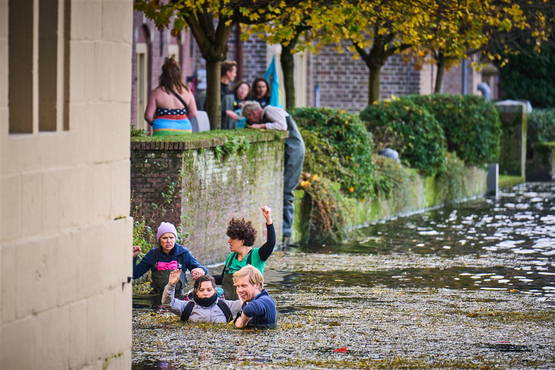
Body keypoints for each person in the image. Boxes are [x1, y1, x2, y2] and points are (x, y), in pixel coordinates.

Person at [242, 101, 305, 245]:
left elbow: (282, 127)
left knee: (287, 192)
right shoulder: (268, 113)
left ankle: (286, 233)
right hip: (290, 151)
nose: (250, 122)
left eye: (250, 119)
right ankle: (282, 232)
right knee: (283, 192)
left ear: (254, 113)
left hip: (294, 152)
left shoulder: (270, 110)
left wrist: (261, 126)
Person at [215, 206, 275, 300]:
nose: (229, 241)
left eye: (232, 238)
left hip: (250, 305)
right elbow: (222, 279)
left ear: (242, 241)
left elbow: (271, 243)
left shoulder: (257, 255)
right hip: (230, 306)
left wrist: (268, 220)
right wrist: (204, 276)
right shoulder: (231, 257)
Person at [132, 222, 207, 297]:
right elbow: (135, 274)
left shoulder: (183, 253)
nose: (168, 241)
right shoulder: (153, 254)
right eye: (164, 238)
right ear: (159, 240)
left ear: (175, 239)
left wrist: (201, 270)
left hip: (178, 296)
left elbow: (201, 269)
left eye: (171, 237)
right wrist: (133, 257)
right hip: (158, 295)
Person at [144, 57, 197, 136]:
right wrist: (180, 120)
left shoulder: (156, 92)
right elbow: (193, 113)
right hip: (184, 128)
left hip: (162, 128)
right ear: (179, 74)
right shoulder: (187, 91)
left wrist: (159, 123)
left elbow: (148, 116)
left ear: (163, 75)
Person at [162, 273, 242, 323]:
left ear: (214, 290)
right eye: (202, 290)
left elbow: (247, 303)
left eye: (209, 290)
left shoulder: (226, 306)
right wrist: (171, 285)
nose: (205, 293)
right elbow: (168, 303)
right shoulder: (186, 307)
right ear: (196, 291)